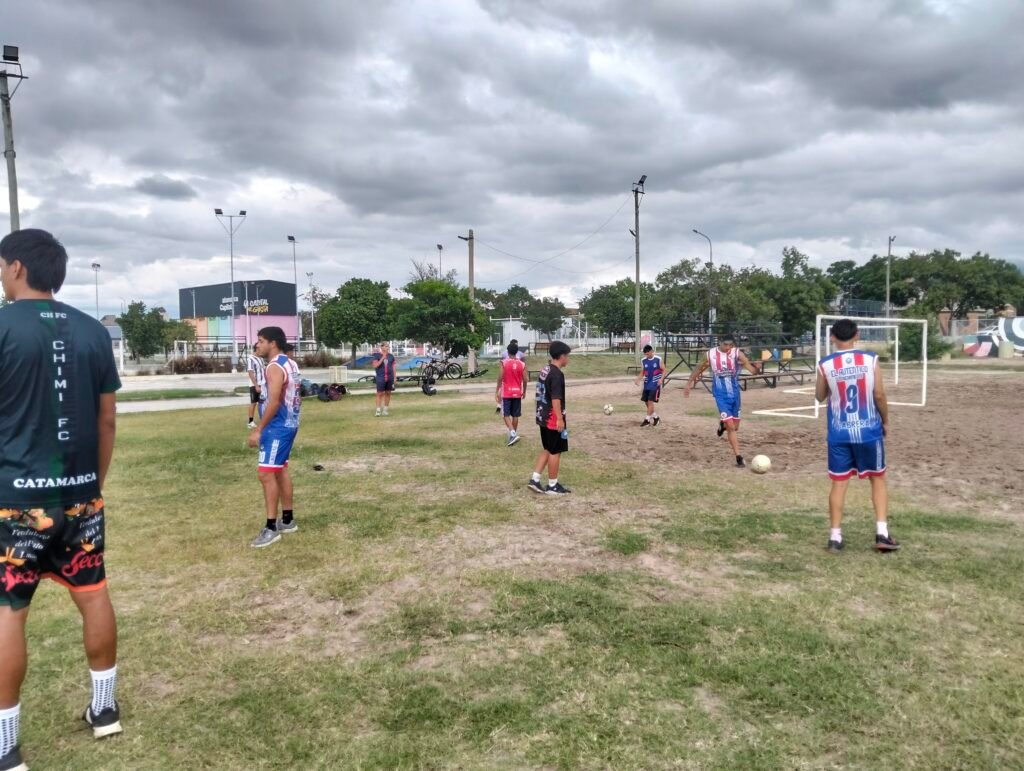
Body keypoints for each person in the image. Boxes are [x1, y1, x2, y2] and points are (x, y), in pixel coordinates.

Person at [0, 229, 124, 769]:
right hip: (81, 498)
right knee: (93, 595)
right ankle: (105, 709)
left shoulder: (2, 326)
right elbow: (107, 420)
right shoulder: (93, 331)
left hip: (13, 500)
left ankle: (5, 745)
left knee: (8, 612)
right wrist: (93, 486)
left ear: (17, 268)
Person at [816, 319, 900, 554]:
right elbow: (879, 394)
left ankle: (835, 537)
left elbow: (820, 396)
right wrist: (885, 420)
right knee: (877, 478)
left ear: (832, 337)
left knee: (839, 482)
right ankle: (882, 533)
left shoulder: (825, 364)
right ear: (857, 335)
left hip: (839, 432)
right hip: (868, 430)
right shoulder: (870, 360)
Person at [247, 327, 302, 548]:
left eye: (261, 341)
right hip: (288, 424)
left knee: (266, 473)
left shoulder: (274, 367)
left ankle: (271, 527)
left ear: (273, 343)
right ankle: (287, 520)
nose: (258, 345)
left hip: (277, 427)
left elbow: (275, 401)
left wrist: (259, 429)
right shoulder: (290, 363)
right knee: (279, 471)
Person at [683, 333, 762, 467]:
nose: (728, 347)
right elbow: (699, 368)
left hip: (735, 394)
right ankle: (738, 457)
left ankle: (722, 424)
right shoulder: (710, 354)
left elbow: (753, 371)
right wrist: (689, 383)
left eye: (730, 345)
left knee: (735, 427)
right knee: (731, 426)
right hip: (720, 394)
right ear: (719, 342)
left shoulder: (737, 353)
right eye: (725, 344)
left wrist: (757, 368)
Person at [528, 341, 571, 495]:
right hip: (552, 418)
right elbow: (556, 398)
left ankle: (535, 479)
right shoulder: (557, 374)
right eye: (567, 356)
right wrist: (559, 418)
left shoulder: (545, 369)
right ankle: (552, 485)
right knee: (555, 451)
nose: (568, 359)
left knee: (547, 448)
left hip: (542, 415)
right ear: (562, 356)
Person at [496, 342, 529, 446]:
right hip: (517, 392)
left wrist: (497, 389)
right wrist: (524, 391)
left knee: (505, 414)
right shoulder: (522, 364)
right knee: (515, 415)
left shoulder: (504, 362)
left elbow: (500, 377)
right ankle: (512, 436)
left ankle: (513, 433)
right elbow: (525, 379)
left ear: (508, 351)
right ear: (517, 352)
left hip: (507, 392)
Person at [633, 344, 667, 427]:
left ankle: (647, 420)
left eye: (647, 354)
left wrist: (661, 379)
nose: (646, 355)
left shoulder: (658, 359)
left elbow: (664, 370)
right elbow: (643, 371)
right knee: (646, 401)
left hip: (655, 384)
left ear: (651, 351)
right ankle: (656, 417)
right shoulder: (643, 360)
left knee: (650, 401)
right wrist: (638, 379)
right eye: (645, 354)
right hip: (647, 383)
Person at [246, 342, 267, 429]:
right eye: (260, 348)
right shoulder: (250, 359)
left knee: (263, 402)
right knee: (253, 402)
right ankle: (250, 422)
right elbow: (250, 372)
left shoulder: (261, 359)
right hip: (255, 384)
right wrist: (256, 385)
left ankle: (264, 419)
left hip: (263, 384)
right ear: (257, 349)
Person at [372, 342, 396, 417]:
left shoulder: (391, 356)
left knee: (388, 393)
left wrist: (395, 377)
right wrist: (383, 357)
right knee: (379, 394)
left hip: (390, 377)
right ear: (381, 347)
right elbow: (375, 365)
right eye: (386, 346)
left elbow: (393, 367)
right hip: (380, 377)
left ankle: (385, 410)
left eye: (388, 346)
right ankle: (378, 410)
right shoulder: (376, 355)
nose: (387, 347)